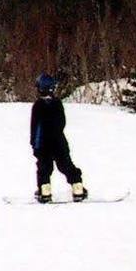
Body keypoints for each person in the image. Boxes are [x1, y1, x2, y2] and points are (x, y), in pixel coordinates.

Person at [30, 74, 86, 203]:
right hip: (59, 141)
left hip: (43, 143)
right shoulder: (57, 103)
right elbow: (62, 123)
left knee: (44, 168)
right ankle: (77, 187)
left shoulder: (38, 105)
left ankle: (45, 192)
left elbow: (34, 127)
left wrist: (34, 143)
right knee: (66, 165)